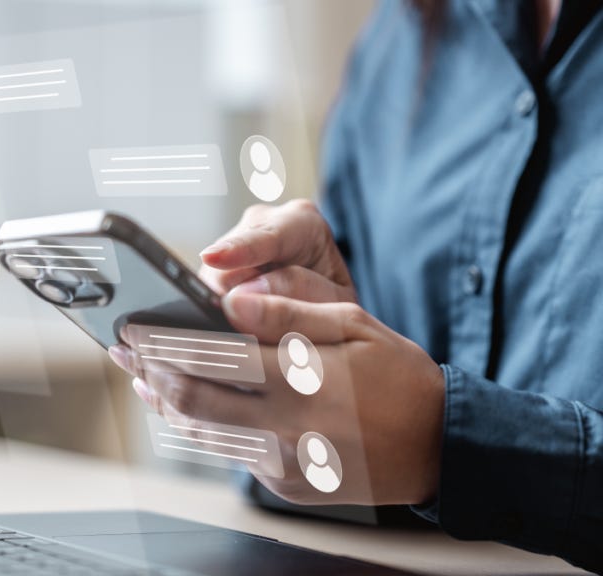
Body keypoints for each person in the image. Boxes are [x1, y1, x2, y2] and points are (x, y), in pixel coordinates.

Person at [109, 0, 603, 571]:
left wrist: (441, 443)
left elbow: (436, 443)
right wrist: (292, 351)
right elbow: (372, 435)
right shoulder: (403, 35)